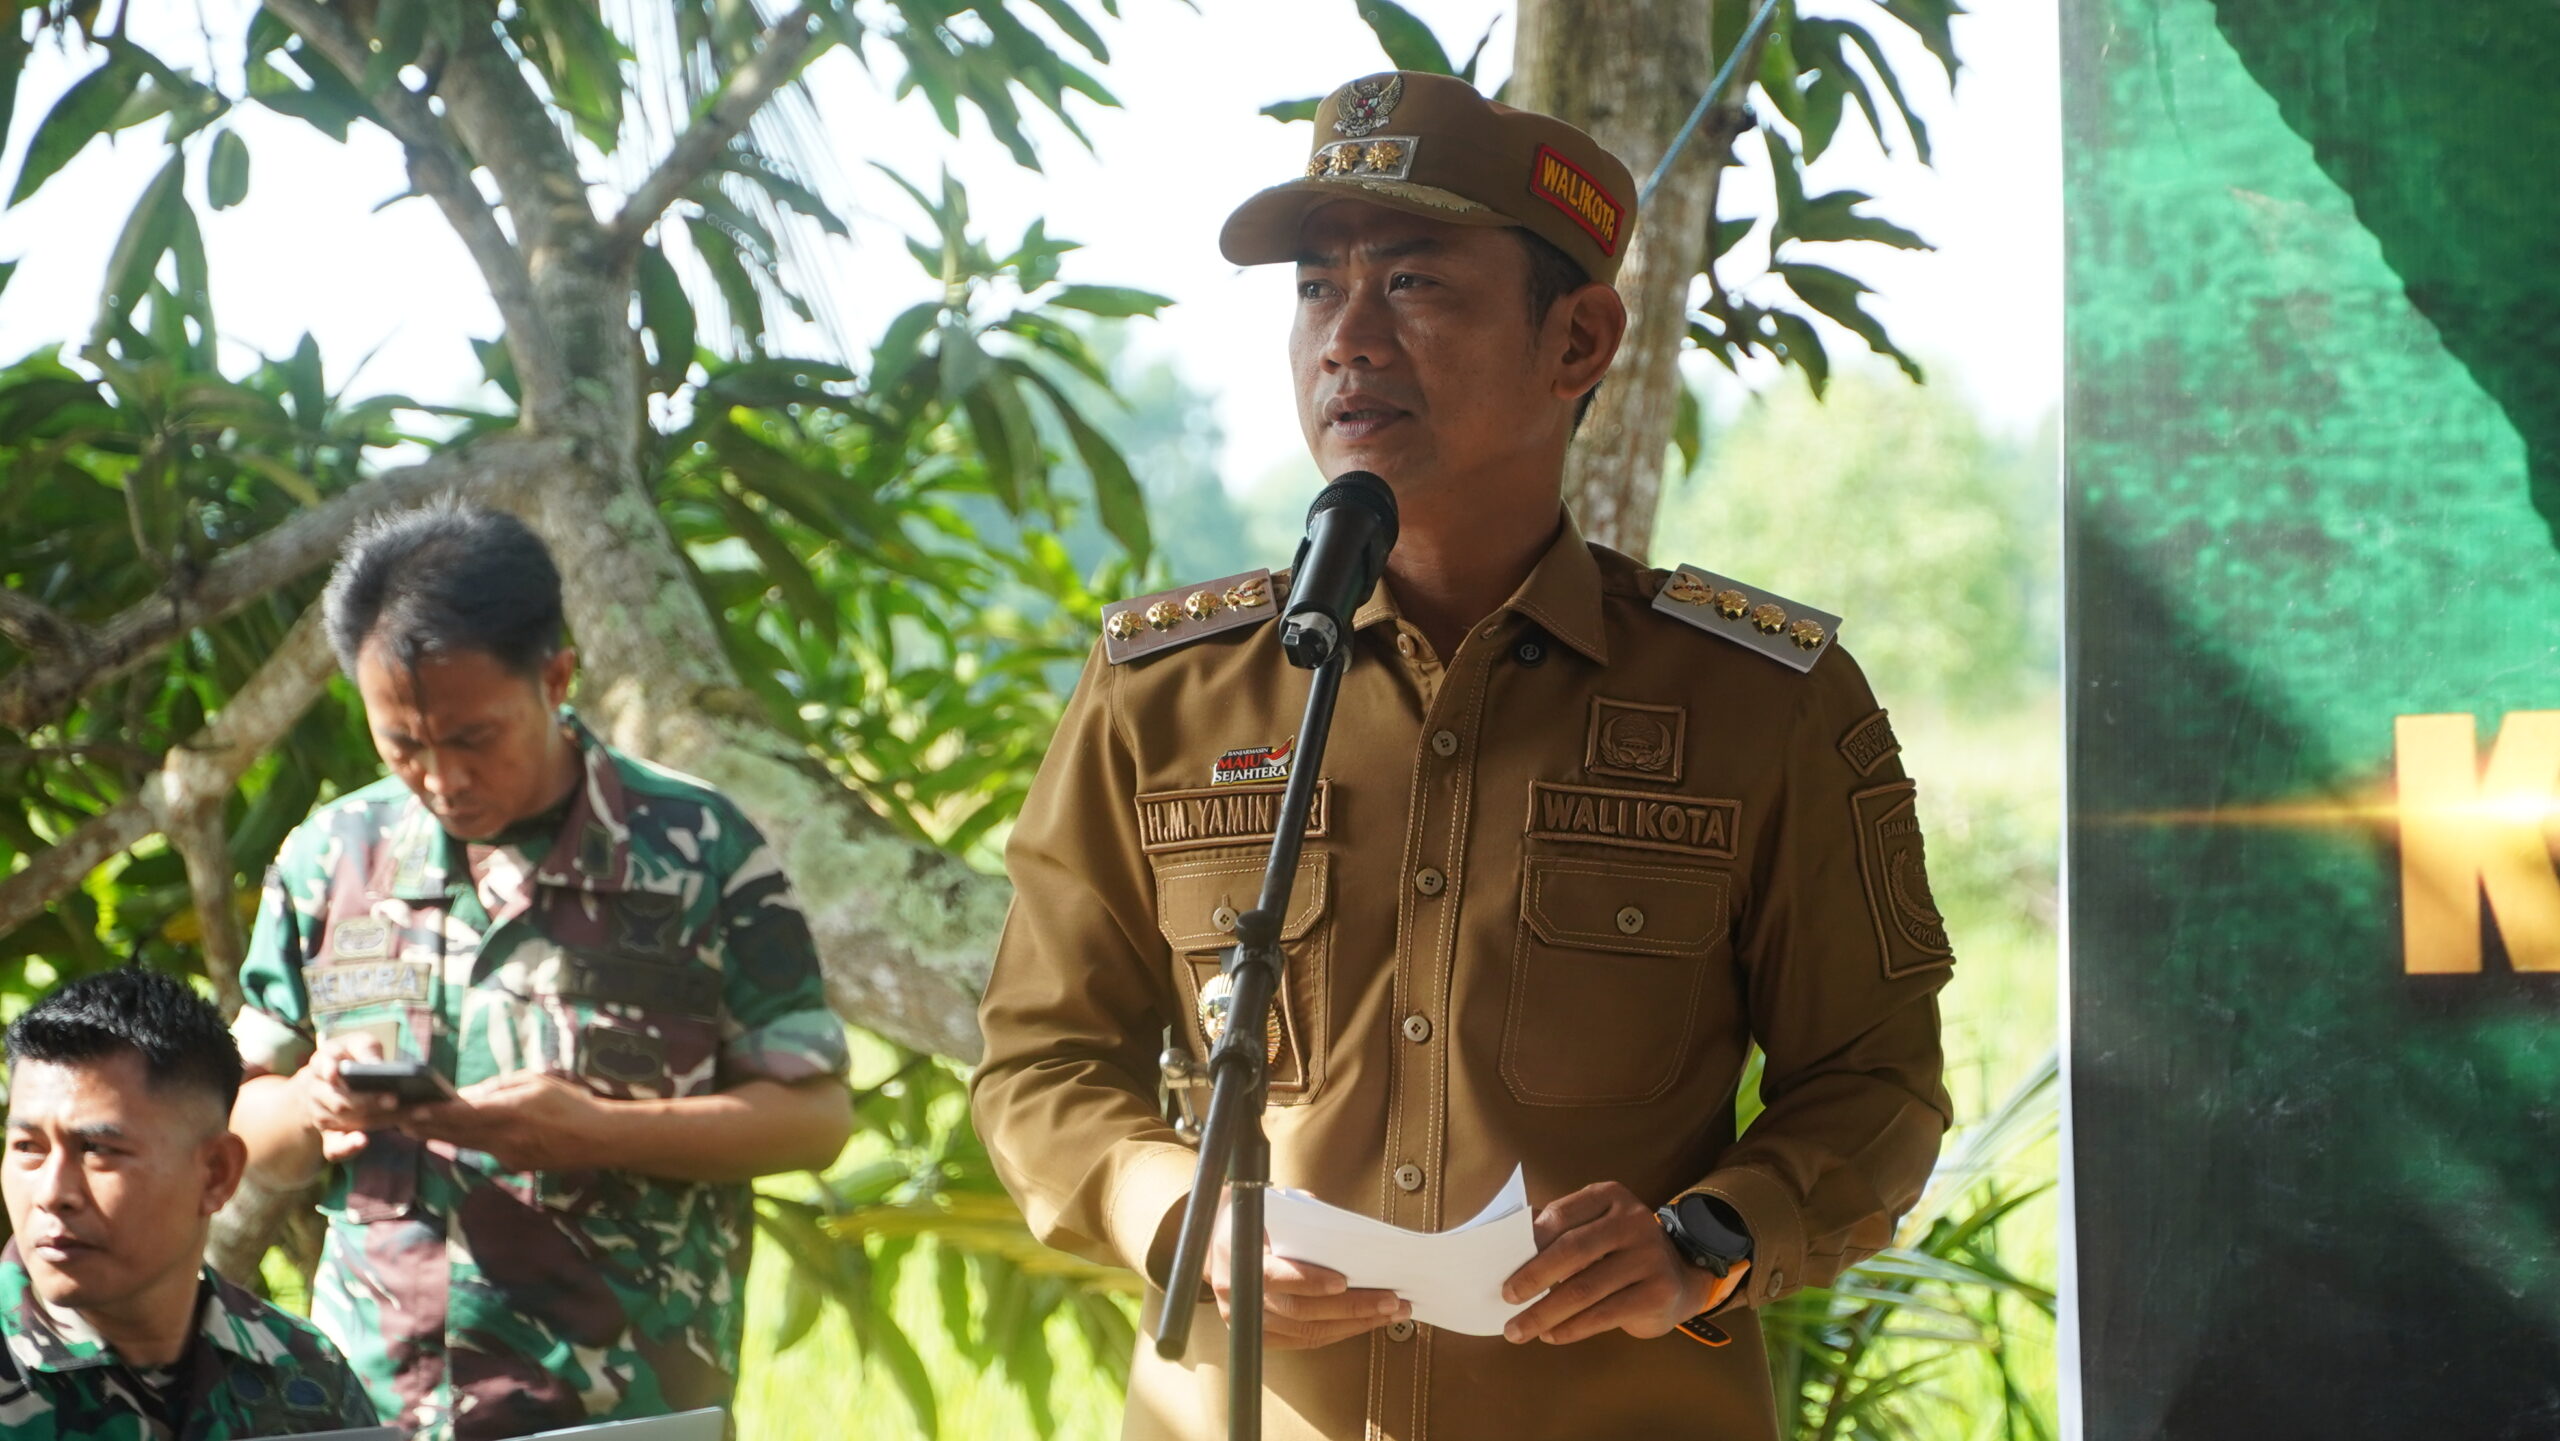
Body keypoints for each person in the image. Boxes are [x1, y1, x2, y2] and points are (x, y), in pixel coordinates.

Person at [970, 71, 1954, 1440]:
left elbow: (1877, 1081)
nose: (1347, 339)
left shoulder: (1762, 704)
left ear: (1578, 340)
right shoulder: (1164, 691)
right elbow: (1041, 1059)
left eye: (1413, 283)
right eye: (1317, 288)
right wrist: (1174, 1211)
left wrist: (1708, 1240)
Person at [226, 500, 855, 1439]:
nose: (442, 778)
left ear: (555, 677)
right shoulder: (332, 858)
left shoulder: (697, 849)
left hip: (622, 1407)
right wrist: (314, 1104)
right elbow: (241, 1122)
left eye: (474, 738)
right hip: (379, 1404)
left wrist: (602, 1130)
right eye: (403, 744)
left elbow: (814, 1118)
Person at [2, 967, 377, 1438]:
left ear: (216, 1173)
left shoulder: (302, 1371)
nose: (52, 1193)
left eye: (98, 1150)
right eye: (28, 1148)